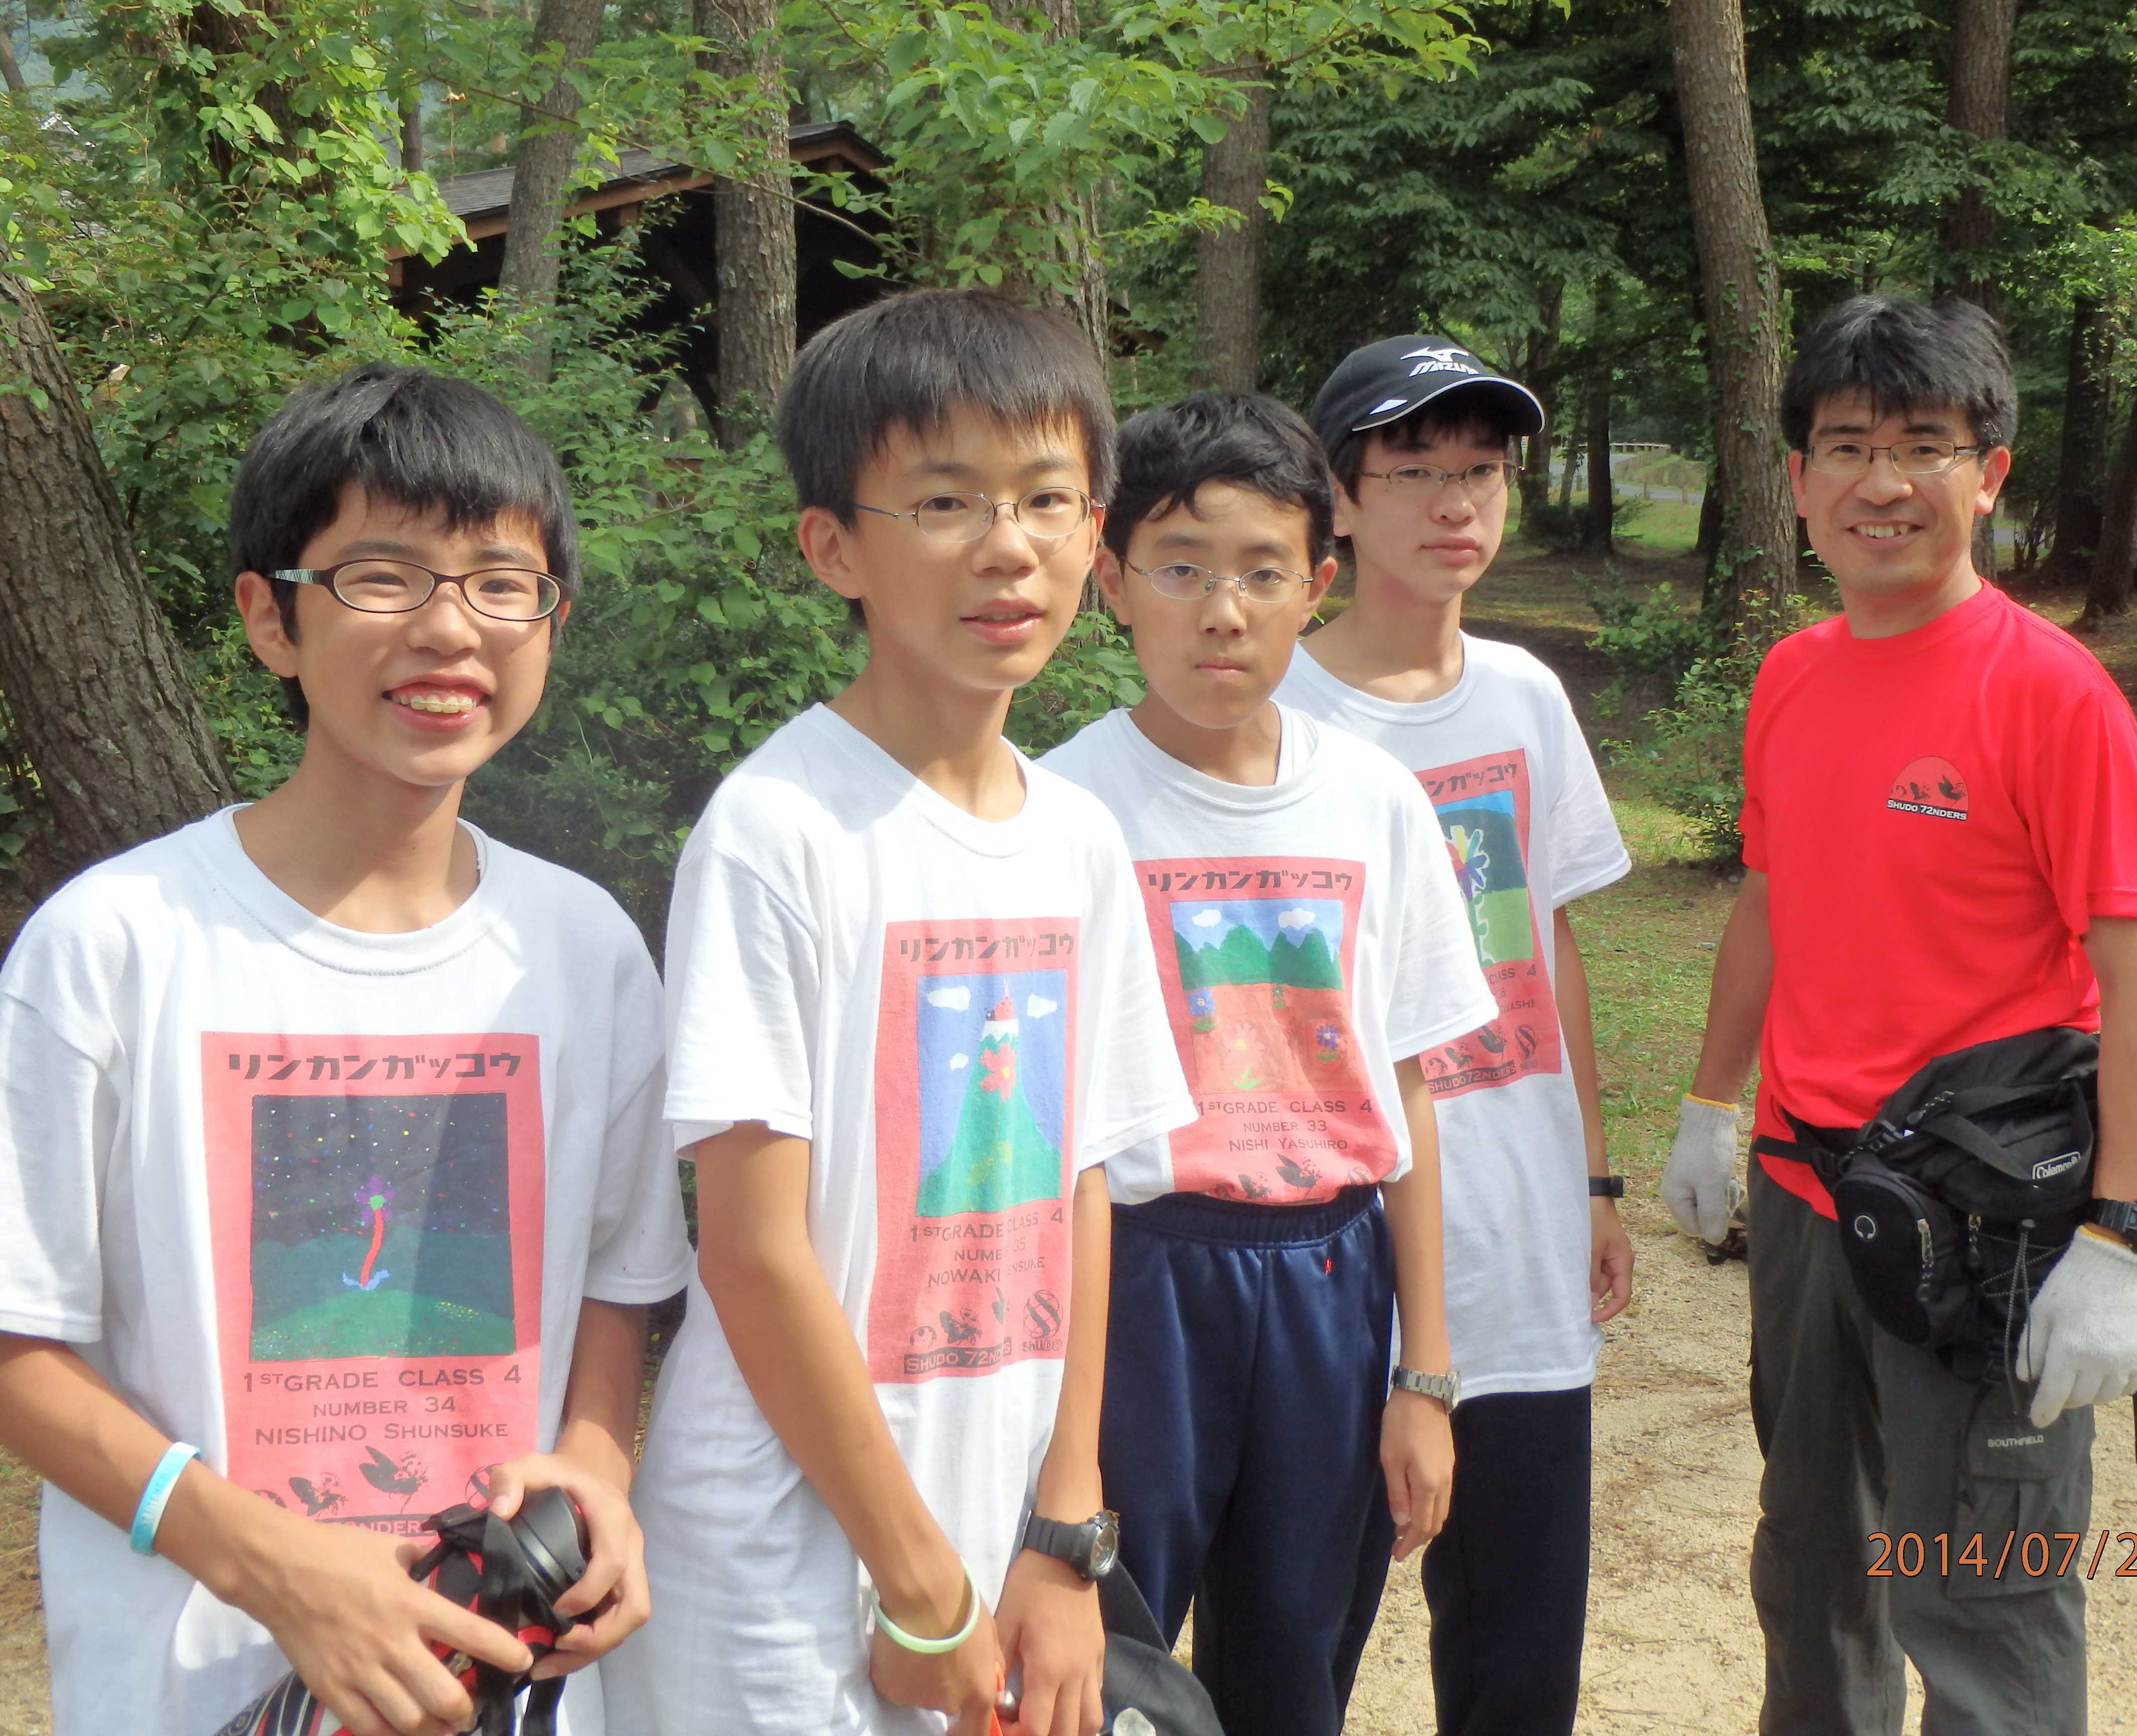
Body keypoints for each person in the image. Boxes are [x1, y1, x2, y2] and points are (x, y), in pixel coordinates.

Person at [0, 363, 695, 1736]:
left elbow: (618, 1287)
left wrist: (596, 1467)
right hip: (197, 1688)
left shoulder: (585, 949)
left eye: (501, 583)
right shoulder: (114, 944)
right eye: (383, 578)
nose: (451, 628)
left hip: (500, 1669)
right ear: (271, 617)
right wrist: (275, 1568)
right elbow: (19, 1343)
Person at [600, 289, 1195, 1736]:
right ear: (834, 548)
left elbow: (1082, 1186)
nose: (1007, 546)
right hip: (781, 1574)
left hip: (1001, 1536)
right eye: (943, 501)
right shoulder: (781, 831)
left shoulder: (1079, 839)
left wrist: (1065, 1536)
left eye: (1046, 499)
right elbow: (751, 1250)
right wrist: (920, 1579)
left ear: (1094, 533)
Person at [1657, 296, 2137, 1735]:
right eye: (1846, 447)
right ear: (1798, 477)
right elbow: (1772, 898)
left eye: (1924, 447)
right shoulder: (1792, 675)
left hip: (1987, 1224)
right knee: (1813, 1564)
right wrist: (1712, 1105)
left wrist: (2120, 1238)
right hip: (1805, 1202)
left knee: (1982, 1601)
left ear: (1990, 473)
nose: (1882, 483)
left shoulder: (2052, 695)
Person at [1039, 391, 1494, 1736]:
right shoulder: (1060, 810)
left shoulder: (1375, 804)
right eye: (1181, 571)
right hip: (1135, 1276)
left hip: (1328, 1281)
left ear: (1317, 586)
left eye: (1261, 574)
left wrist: (1424, 1375)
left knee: (1296, 1662)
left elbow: (1406, 1087)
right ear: (1112, 580)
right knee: (1103, 1658)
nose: (1222, 614)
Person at [1279, 337, 1634, 1736]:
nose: (1455, 504)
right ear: (1338, 499)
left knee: (1518, 1653)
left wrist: (1593, 1180)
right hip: (1336, 1248)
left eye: (1481, 471)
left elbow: (1549, 945)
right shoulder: (1277, 707)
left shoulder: (1527, 696)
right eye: (1414, 471)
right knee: (1297, 1641)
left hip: (1520, 1236)